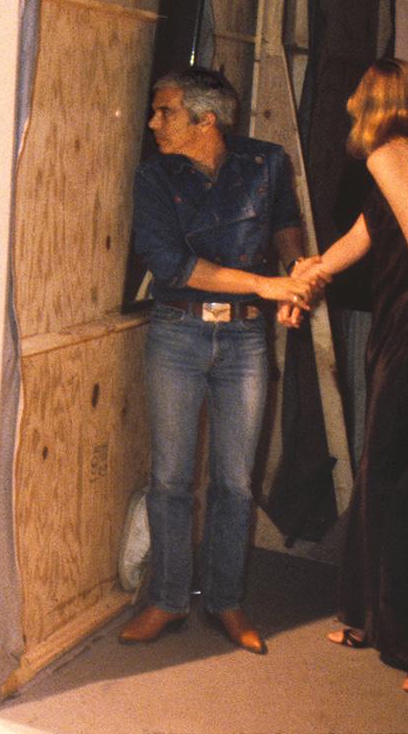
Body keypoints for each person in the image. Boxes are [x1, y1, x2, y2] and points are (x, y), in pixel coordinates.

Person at [295, 62, 408, 695]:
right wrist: (308, 274)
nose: (349, 105)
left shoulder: (387, 159)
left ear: (372, 101)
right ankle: (365, 614)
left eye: (357, 97)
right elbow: (364, 236)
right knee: (381, 476)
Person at [121, 66, 307, 656]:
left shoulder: (266, 162)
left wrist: (296, 276)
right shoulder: (154, 177)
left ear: (207, 119)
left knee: (233, 481)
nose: (152, 122)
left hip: (247, 341)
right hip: (177, 333)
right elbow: (172, 265)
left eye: (165, 111)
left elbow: (284, 225)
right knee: (171, 478)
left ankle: (226, 600)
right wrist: (266, 286)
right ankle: (168, 599)